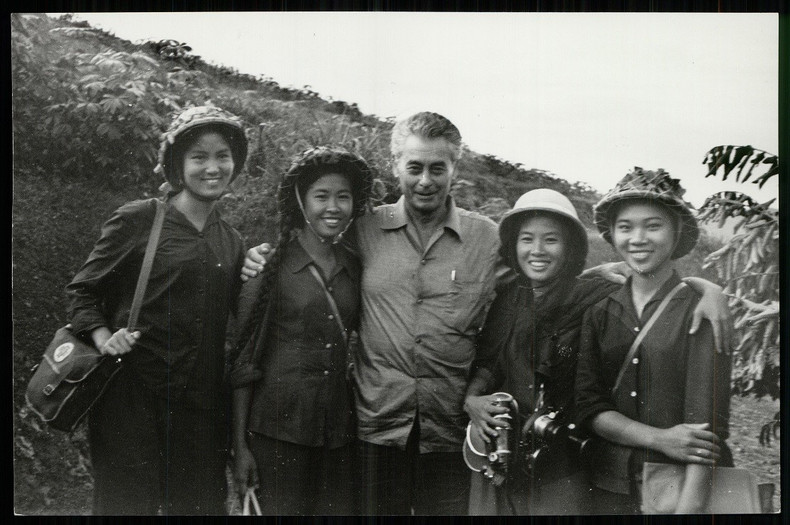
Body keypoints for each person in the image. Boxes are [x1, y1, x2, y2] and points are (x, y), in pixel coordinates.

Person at [240, 114, 733, 515]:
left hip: (450, 431)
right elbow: (317, 248)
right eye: (415, 167)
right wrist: (260, 257)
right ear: (396, 166)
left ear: (455, 168)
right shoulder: (364, 230)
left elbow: (546, 268)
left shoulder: (486, 237)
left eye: (438, 168)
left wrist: (700, 285)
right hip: (375, 426)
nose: (426, 180)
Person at [463, 189, 725, 515]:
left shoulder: (594, 294)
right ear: (513, 245)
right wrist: (472, 399)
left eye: (551, 240)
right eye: (526, 239)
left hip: (564, 462)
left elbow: (656, 281)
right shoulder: (508, 297)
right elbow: (489, 361)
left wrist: (707, 288)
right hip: (503, 450)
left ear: (571, 246)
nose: (537, 250)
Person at [66, 105, 248, 515]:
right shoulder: (140, 219)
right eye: (199, 157)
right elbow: (83, 291)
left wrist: (256, 267)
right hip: (131, 400)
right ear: (177, 164)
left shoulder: (232, 240)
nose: (212, 167)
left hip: (200, 410)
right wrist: (103, 337)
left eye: (222, 156)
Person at [574, 168, 732, 514]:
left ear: (677, 232)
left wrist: (688, 510)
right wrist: (659, 438)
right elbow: (589, 406)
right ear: (612, 234)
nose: (638, 238)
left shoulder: (702, 310)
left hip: (678, 491)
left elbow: (704, 434)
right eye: (625, 227)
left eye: (653, 226)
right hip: (608, 486)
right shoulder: (599, 309)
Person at [229, 146, 373, 515]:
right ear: (300, 201)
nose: (333, 207)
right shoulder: (268, 267)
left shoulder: (355, 266)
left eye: (343, 197)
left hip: (336, 433)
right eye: (321, 196)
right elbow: (243, 363)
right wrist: (240, 446)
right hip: (276, 432)